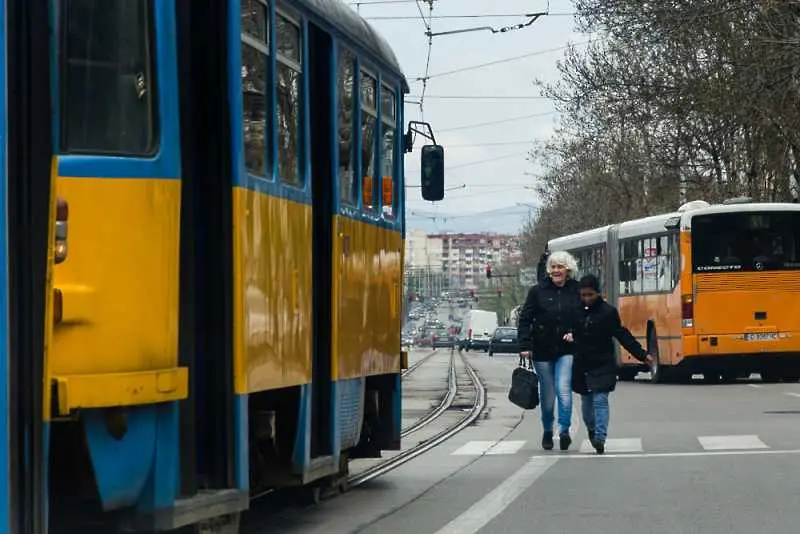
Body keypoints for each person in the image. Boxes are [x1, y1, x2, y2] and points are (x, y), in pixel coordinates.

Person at [572, 275, 654, 454]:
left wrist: (642, 355)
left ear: (598, 294)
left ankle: (600, 437)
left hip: (602, 363)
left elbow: (622, 334)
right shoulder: (575, 311)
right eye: (583, 295)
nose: (587, 298)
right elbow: (565, 331)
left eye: (590, 295)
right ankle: (592, 429)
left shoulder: (608, 312)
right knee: (586, 406)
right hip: (582, 364)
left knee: (600, 400)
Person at [518, 251, 582, 451]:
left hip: (567, 350)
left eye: (560, 267)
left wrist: (575, 333)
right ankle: (547, 430)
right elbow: (525, 319)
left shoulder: (577, 290)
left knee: (564, 389)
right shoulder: (537, 291)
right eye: (553, 267)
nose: (556, 271)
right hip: (542, 350)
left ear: (568, 270)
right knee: (548, 395)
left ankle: (563, 431)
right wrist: (525, 346)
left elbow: (584, 317)